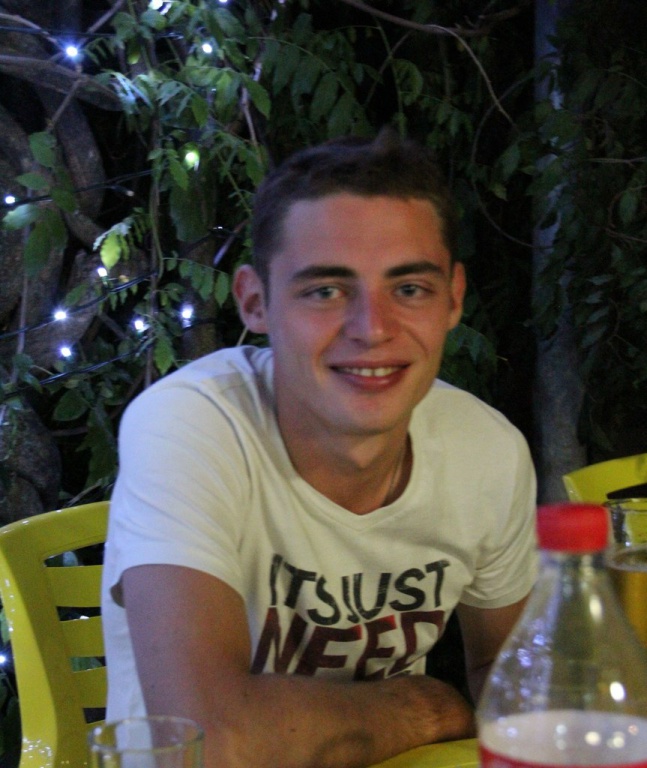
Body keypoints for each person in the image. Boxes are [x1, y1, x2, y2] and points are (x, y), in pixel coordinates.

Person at [102, 128, 538, 768]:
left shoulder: (487, 451)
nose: (373, 328)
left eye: (409, 289)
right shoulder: (189, 425)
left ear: (453, 299)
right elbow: (212, 743)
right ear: (255, 302)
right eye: (325, 290)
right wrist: (422, 710)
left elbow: (517, 685)